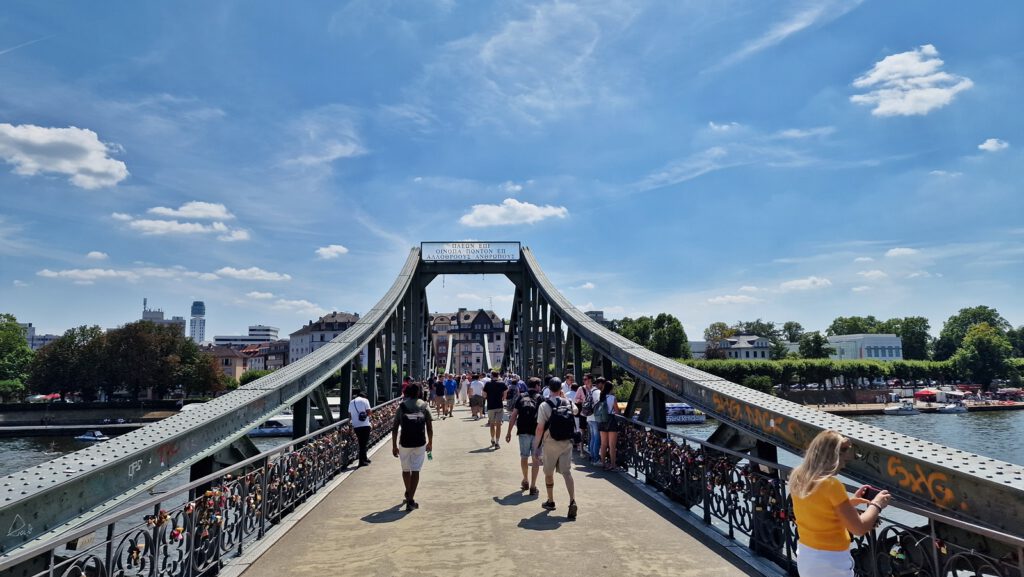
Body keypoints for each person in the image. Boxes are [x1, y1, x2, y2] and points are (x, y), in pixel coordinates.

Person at [790, 430, 892, 577]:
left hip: (807, 554)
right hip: (831, 561)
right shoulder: (831, 484)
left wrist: (848, 503)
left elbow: (816, 508)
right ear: (834, 457)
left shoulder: (798, 476)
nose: (843, 466)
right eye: (844, 460)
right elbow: (859, 528)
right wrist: (876, 505)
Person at [533, 378, 578, 519]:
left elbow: (540, 428)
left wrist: (536, 447)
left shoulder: (544, 405)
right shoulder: (569, 403)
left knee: (548, 473)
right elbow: (576, 412)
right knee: (567, 472)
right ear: (561, 388)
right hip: (567, 442)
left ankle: (551, 501)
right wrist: (564, 398)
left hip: (550, 443)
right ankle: (572, 502)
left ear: (548, 388)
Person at [392, 383, 434, 511]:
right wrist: (430, 443)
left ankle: (408, 492)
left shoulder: (402, 407)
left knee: (406, 470)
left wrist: (394, 446)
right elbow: (429, 427)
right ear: (419, 392)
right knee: (416, 470)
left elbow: (394, 428)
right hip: (420, 442)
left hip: (404, 442)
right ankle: (410, 499)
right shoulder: (425, 406)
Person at [505, 377, 542, 495]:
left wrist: (509, 432)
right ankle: (533, 486)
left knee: (524, 457)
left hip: (523, 432)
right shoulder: (541, 398)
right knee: (535, 459)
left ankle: (525, 479)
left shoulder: (521, 396)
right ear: (536, 386)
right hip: (537, 432)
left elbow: (514, 415)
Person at [596, 378, 620, 471]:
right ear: (611, 389)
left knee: (603, 444)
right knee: (612, 445)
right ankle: (613, 464)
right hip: (611, 421)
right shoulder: (612, 398)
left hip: (602, 421)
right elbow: (617, 411)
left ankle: (603, 463)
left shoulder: (601, 396)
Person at [348, 388, 373, 467]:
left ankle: (365, 458)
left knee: (361, 442)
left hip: (356, 425)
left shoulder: (351, 402)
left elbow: (349, 414)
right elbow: (369, 413)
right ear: (364, 396)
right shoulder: (365, 401)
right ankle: (361, 462)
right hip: (365, 425)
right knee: (363, 444)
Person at [483, 371, 507, 448]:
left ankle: (492, 439)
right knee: (499, 425)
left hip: (490, 406)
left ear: (491, 376)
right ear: (498, 376)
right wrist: (504, 397)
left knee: (492, 424)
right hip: (499, 406)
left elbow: (484, 394)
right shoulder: (502, 383)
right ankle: (497, 442)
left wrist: (487, 397)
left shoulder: (487, 384)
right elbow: (506, 390)